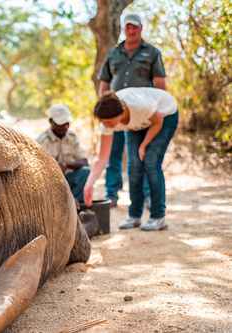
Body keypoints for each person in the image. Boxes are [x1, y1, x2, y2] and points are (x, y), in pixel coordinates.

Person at [83, 88, 178, 231]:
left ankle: (158, 217)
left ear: (121, 112)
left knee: (151, 161)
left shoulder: (139, 105)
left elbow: (158, 121)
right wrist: (89, 184)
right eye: (103, 122)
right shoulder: (108, 120)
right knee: (134, 165)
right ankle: (134, 216)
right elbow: (102, 158)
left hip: (165, 115)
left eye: (108, 122)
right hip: (139, 123)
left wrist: (144, 145)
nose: (106, 126)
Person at [97, 13, 167, 208]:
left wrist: (158, 111)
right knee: (113, 153)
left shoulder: (152, 52)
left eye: (134, 27)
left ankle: (144, 196)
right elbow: (104, 82)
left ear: (140, 28)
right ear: (123, 29)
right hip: (115, 112)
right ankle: (111, 194)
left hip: (139, 112)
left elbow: (160, 83)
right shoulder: (113, 53)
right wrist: (103, 108)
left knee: (139, 156)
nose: (131, 30)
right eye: (127, 27)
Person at [36, 104, 91, 203]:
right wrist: (55, 170)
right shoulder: (41, 141)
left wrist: (66, 164)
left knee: (85, 171)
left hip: (68, 180)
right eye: (61, 124)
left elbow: (84, 161)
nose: (65, 127)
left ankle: (77, 205)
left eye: (67, 123)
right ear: (51, 121)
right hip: (49, 184)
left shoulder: (71, 137)